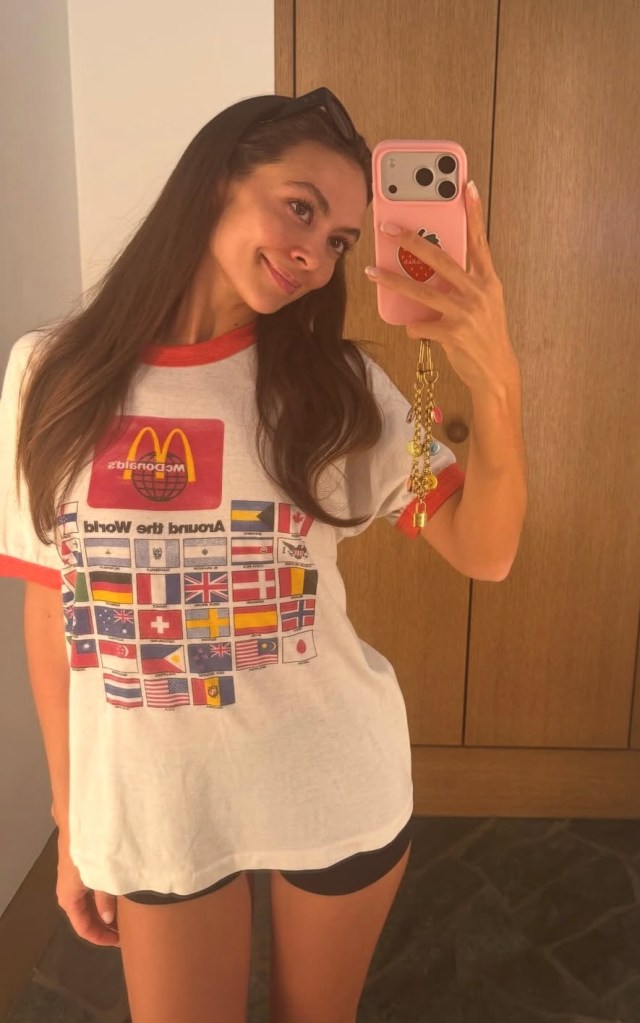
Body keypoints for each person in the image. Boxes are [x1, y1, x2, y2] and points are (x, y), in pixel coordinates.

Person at [0, 88, 472, 1023]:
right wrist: (72, 814)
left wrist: (486, 368)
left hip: (333, 776)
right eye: (300, 207)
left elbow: (481, 547)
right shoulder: (48, 373)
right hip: (156, 800)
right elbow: (52, 604)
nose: (315, 254)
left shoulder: (340, 387)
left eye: (339, 240)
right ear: (217, 180)